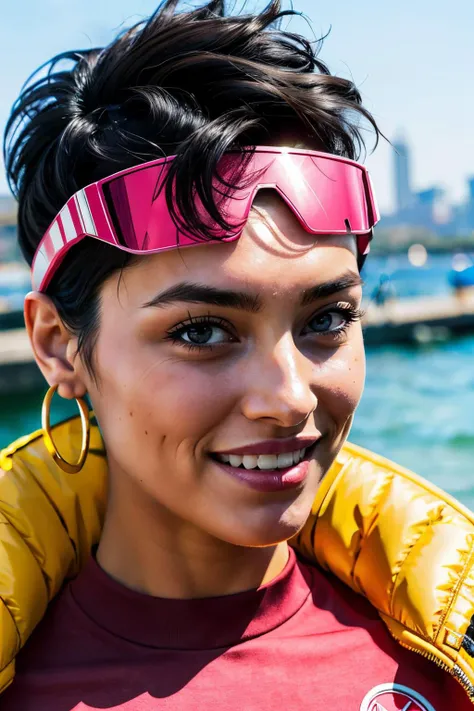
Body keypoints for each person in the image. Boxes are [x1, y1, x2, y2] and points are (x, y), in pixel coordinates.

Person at [0, 1, 473, 708]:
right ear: (59, 347)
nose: (288, 399)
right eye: (201, 331)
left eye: (329, 318)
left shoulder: (448, 649)